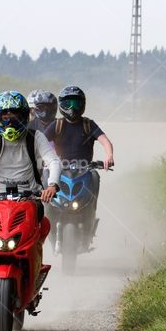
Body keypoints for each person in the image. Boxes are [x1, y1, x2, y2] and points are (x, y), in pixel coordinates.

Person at [0, 92, 60, 214]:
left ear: (25, 117)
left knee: (42, 225)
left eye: (15, 118)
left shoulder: (37, 137)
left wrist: (52, 186)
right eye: (5, 118)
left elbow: (54, 162)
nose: (10, 123)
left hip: (31, 200)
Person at [44, 86, 114, 245]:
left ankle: (90, 213)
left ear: (83, 104)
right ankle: (47, 216)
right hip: (60, 170)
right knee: (45, 177)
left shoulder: (89, 124)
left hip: (85, 170)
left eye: (76, 103)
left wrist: (109, 156)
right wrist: (46, 160)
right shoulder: (57, 125)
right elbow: (41, 142)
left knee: (95, 176)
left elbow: (105, 141)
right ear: (62, 105)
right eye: (68, 103)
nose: (72, 108)